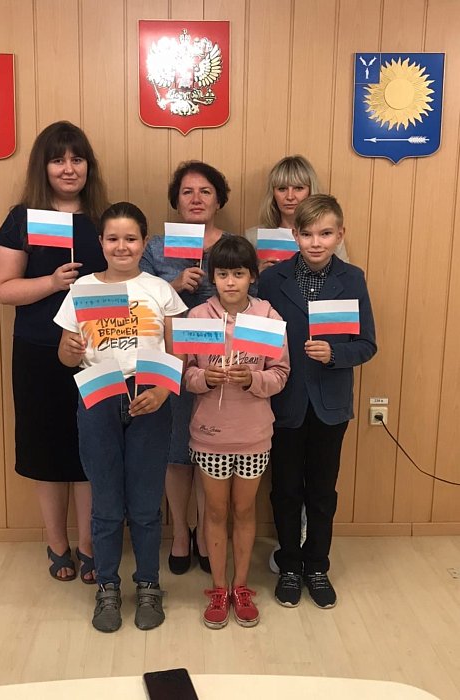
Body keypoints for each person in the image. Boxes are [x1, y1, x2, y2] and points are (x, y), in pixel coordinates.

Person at [55, 202, 187, 633]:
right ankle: (108, 587)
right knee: (107, 502)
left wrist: (163, 391)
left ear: (144, 243)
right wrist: (69, 351)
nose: (122, 246)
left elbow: (178, 352)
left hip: (149, 394)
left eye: (131, 238)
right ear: (101, 243)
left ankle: (148, 584)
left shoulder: (160, 290)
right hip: (98, 393)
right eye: (113, 238)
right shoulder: (83, 289)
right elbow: (66, 354)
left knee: (146, 504)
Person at [0, 121, 108, 583]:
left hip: (96, 352)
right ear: (43, 167)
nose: (68, 168)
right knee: (46, 450)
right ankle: (57, 544)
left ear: (88, 166)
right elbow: (3, 289)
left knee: (90, 450)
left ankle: (88, 544)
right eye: (58, 160)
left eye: (77, 159)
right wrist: (52, 282)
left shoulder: (101, 221)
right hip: (38, 351)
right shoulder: (23, 218)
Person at [258, 194, 376, 609]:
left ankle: (317, 566)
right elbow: (260, 340)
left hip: (331, 404)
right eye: (307, 234)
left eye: (325, 234)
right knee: (286, 488)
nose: (315, 242)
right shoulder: (272, 280)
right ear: (294, 235)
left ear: (340, 235)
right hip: (285, 401)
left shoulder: (353, 279)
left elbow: (367, 344)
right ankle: (290, 565)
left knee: (322, 491)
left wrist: (335, 354)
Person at [185, 236, 290, 628]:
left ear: (252, 276)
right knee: (215, 511)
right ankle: (218, 588)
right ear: (212, 277)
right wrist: (203, 378)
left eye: (239, 274)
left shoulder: (268, 317)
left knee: (245, 511)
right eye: (223, 274)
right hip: (210, 434)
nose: (231, 282)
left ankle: (241, 586)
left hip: (253, 435)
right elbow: (183, 372)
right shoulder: (197, 317)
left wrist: (253, 380)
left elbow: (281, 373)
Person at [140, 160, 234, 575]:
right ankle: (180, 531)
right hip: (170, 361)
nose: (196, 199)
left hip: (220, 364)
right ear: (176, 201)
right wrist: (172, 286)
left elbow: (252, 300)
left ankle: (206, 533)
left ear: (219, 200)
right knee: (176, 452)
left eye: (205, 191)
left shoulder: (232, 245)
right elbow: (136, 299)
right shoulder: (157, 248)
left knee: (209, 453)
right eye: (187, 192)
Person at [246, 155, 349, 267]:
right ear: (273, 194)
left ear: (310, 191)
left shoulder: (329, 235)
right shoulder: (253, 237)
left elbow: (345, 275)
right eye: (282, 189)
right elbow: (239, 275)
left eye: (298, 188)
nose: (290, 196)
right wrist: (258, 274)